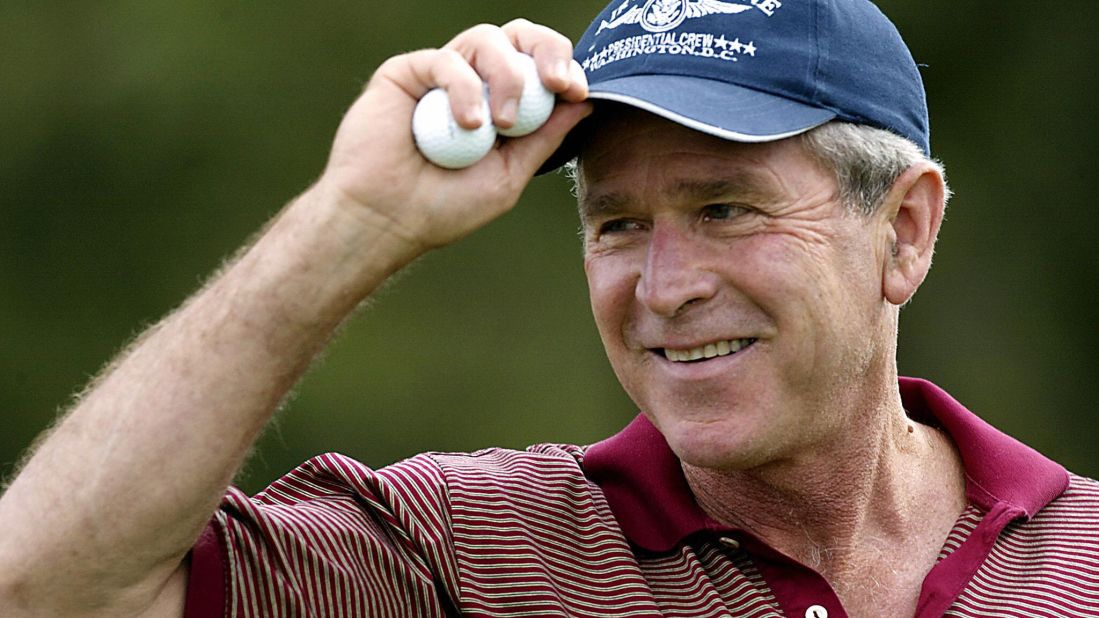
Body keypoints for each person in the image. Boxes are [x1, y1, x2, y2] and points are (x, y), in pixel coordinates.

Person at [1, 1, 1097, 616]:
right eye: (618, 223)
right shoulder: (458, 553)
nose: (664, 289)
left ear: (902, 230)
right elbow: (53, 590)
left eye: (724, 208)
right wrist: (354, 222)